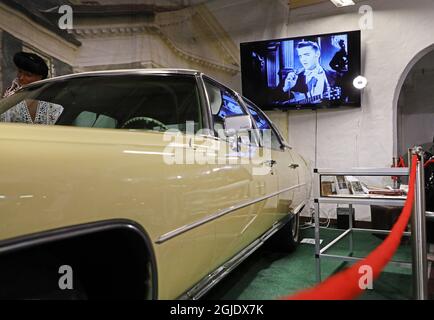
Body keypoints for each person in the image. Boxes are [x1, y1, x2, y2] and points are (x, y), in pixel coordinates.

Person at [1, 52, 63, 125]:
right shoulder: (10, 96)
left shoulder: (53, 104)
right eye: (20, 72)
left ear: (40, 78)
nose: (21, 77)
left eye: (28, 75)